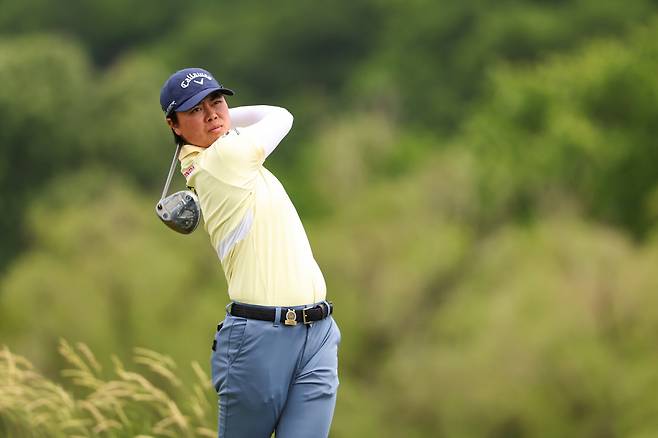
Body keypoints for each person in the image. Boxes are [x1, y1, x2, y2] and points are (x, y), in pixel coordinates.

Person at [159, 67, 340, 438]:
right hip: (259, 339)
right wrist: (227, 122)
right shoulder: (225, 157)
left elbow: (237, 123)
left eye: (217, 102)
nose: (211, 114)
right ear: (173, 124)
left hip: (318, 333)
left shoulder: (218, 153)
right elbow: (279, 115)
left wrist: (211, 122)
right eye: (195, 110)